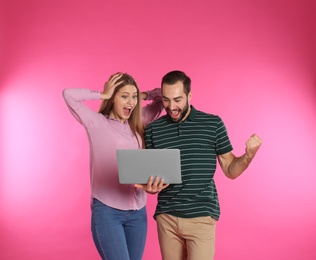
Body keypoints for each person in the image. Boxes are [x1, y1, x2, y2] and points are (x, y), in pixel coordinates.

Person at [136, 70, 263, 260]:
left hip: (201, 216)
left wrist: (248, 155)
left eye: (178, 99)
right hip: (167, 217)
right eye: (166, 100)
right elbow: (151, 179)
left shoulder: (212, 124)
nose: (172, 107)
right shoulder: (154, 129)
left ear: (189, 95)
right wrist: (150, 187)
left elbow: (230, 170)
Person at [62, 72, 163, 260]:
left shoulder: (139, 120)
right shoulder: (96, 123)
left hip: (138, 213)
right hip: (108, 212)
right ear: (113, 98)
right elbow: (69, 95)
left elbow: (161, 96)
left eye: (133, 97)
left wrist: (140, 95)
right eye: (124, 96)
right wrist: (103, 94)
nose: (130, 102)